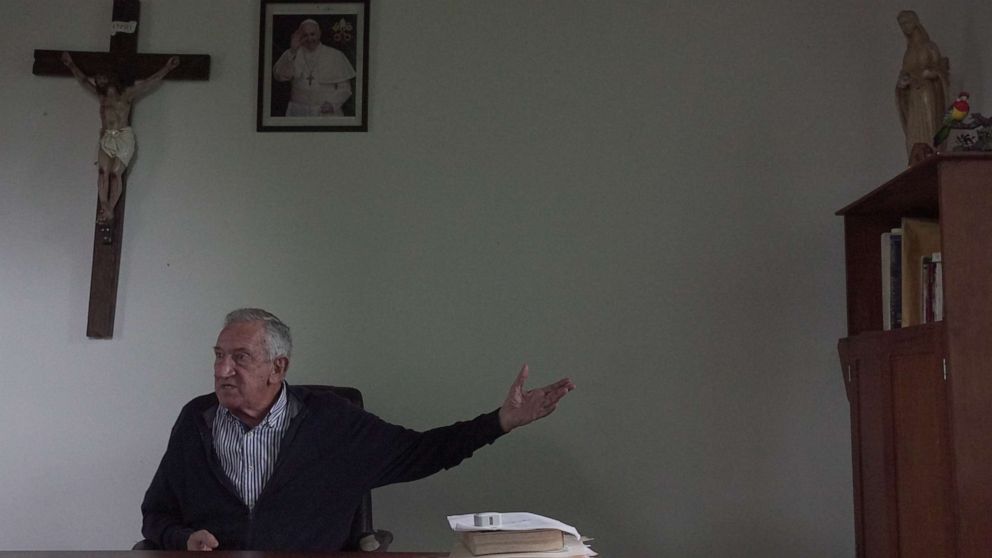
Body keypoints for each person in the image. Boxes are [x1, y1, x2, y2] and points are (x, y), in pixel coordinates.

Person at [140, 308, 575, 551]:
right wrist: (184, 538)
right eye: (218, 356)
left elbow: (424, 451)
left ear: (279, 367)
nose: (222, 370)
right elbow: (155, 516)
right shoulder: (196, 421)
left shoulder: (332, 422)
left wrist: (500, 421)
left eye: (240, 358)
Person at [62, 52, 179, 225]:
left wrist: (167, 68)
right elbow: (83, 81)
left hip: (123, 136)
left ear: (110, 79)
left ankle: (111, 206)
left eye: (102, 77)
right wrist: (71, 65)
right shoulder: (101, 97)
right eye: (98, 78)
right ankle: (104, 204)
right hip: (107, 136)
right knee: (103, 171)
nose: (98, 81)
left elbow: (149, 83)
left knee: (116, 173)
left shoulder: (127, 95)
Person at [272, 19, 356, 116]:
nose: (309, 39)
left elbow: (345, 88)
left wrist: (333, 104)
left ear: (319, 33)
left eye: (312, 34)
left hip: (326, 111)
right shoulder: (291, 53)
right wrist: (292, 51)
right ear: (299, 36)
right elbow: (280, 76)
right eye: (305, 35)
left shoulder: (335, 55)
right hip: (298, 111)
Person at [895, 10, 949, 160]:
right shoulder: (908, 53)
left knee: (929, 129)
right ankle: (915, 158)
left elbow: (942, 70)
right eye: (901, 25)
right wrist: (902, 84)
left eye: (907, 22)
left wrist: (931, 74)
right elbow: (904, 74)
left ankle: (931, 153)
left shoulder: (929, 47)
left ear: (915, 22)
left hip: (928, 94)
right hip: (914, 96)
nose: (904, 27)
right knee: (914, 133)